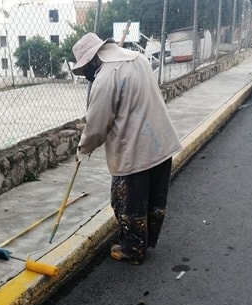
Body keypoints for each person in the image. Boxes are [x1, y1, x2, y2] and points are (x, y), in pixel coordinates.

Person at [72, 33, 182, 265]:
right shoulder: (139, 59)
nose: (87, 75)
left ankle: (132, 250)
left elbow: (97, 125)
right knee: (154, 199)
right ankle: (146, 241)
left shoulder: (105, 78)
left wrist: (82, 149)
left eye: (86, 69)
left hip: (134, 152)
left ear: (93, 60)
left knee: (127, 203)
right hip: (161, 143)